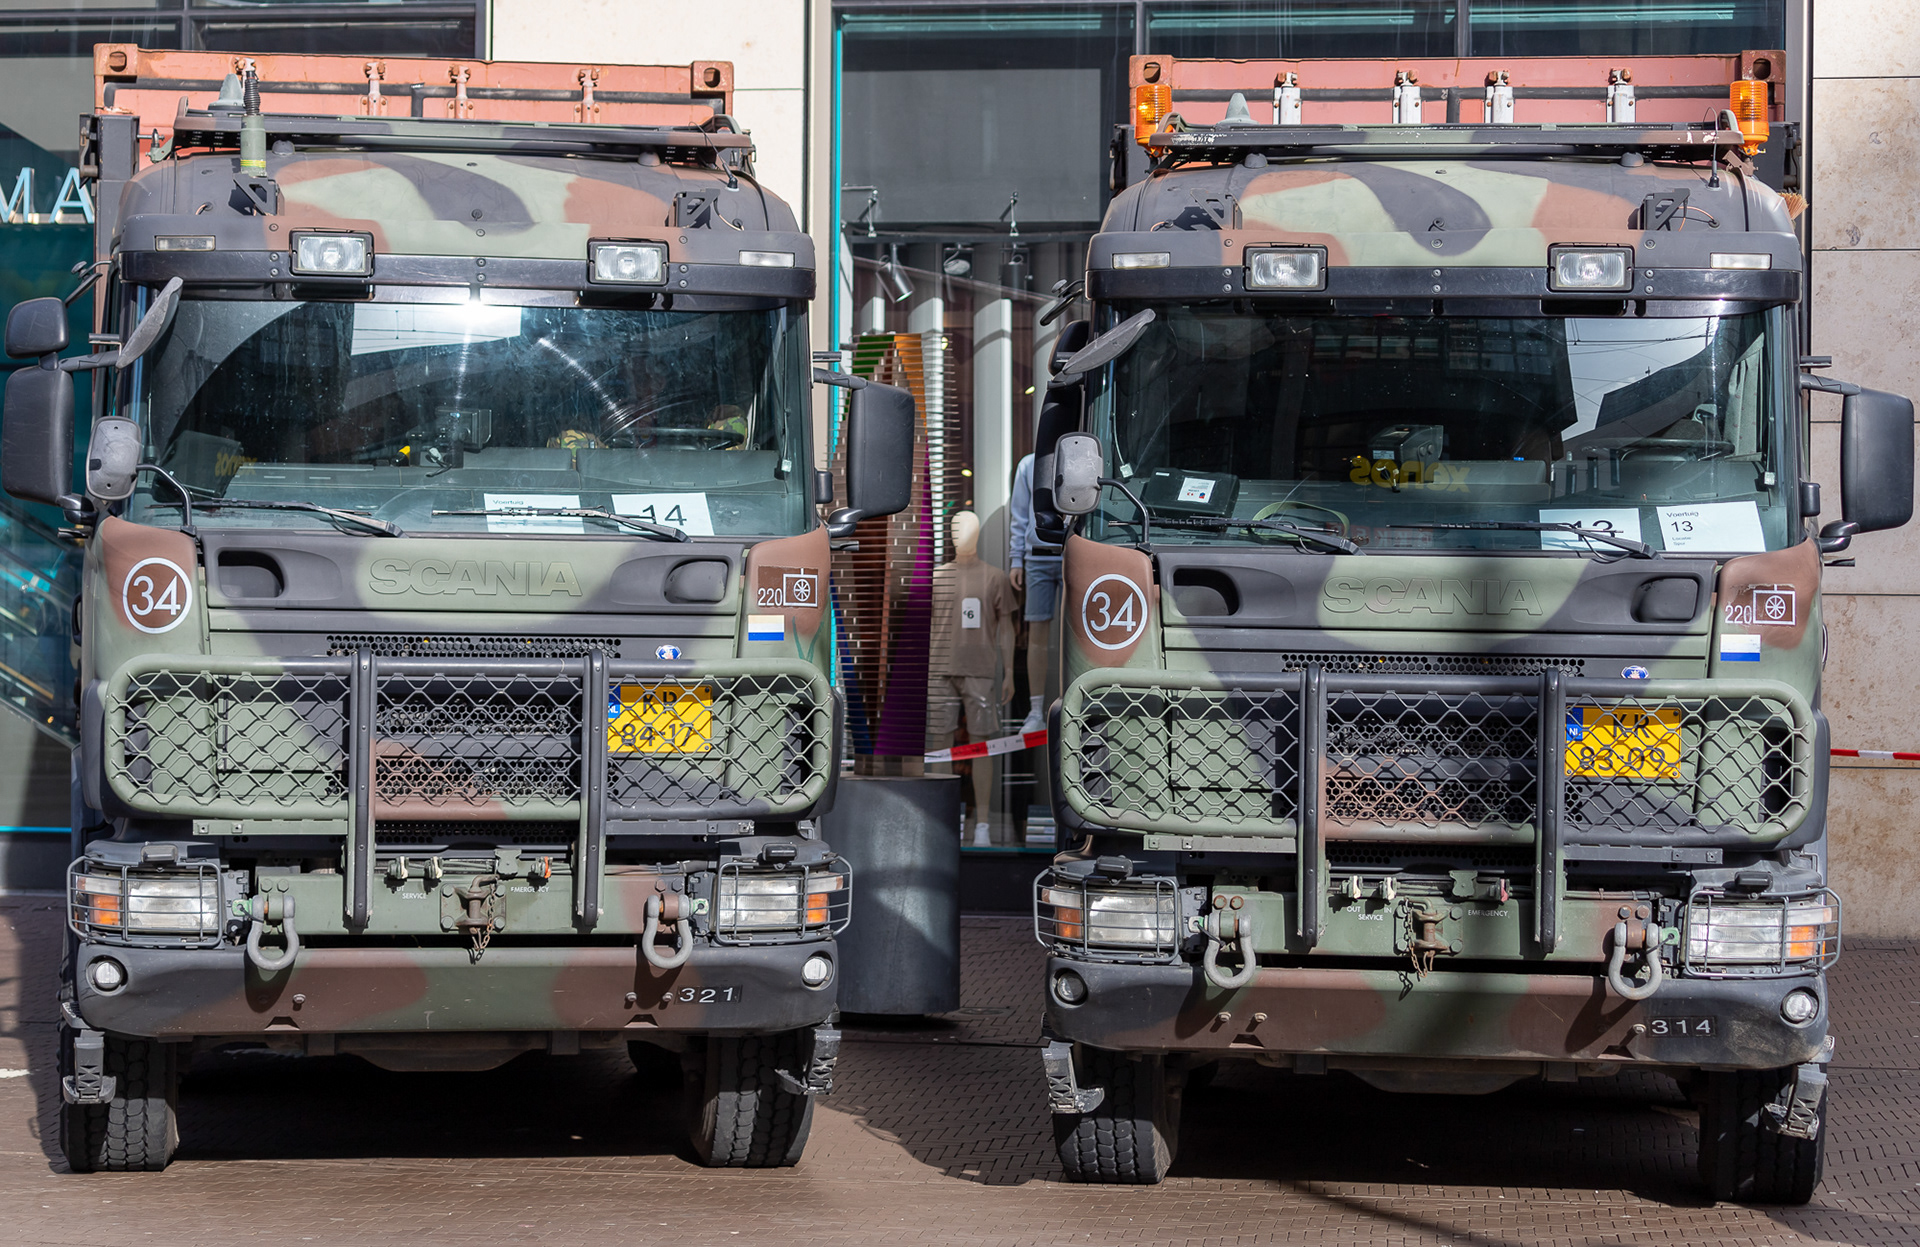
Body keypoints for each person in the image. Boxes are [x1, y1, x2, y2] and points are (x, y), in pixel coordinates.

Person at [928, 510, 1014, 846]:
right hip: (939, 669)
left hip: (980, 669)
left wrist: (1008, 673)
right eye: (952, 528)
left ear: (977, 533)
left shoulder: (995, 577)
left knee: (981, 748)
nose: (956, 533)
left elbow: (1007, 626)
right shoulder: (936, 577)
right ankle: (939, 819)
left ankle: (982, 824)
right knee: (939, 746)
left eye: (964, 528)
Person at [1008, 452, 1062, 734]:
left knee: (1073, 635)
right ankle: (1035, 711)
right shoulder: (1029, 464)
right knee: (1037, 637)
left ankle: (1073, 705)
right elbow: (1019, 513)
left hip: (1073, 553)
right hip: (1037, 557)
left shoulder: (1082, 457)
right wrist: (1016, 559)